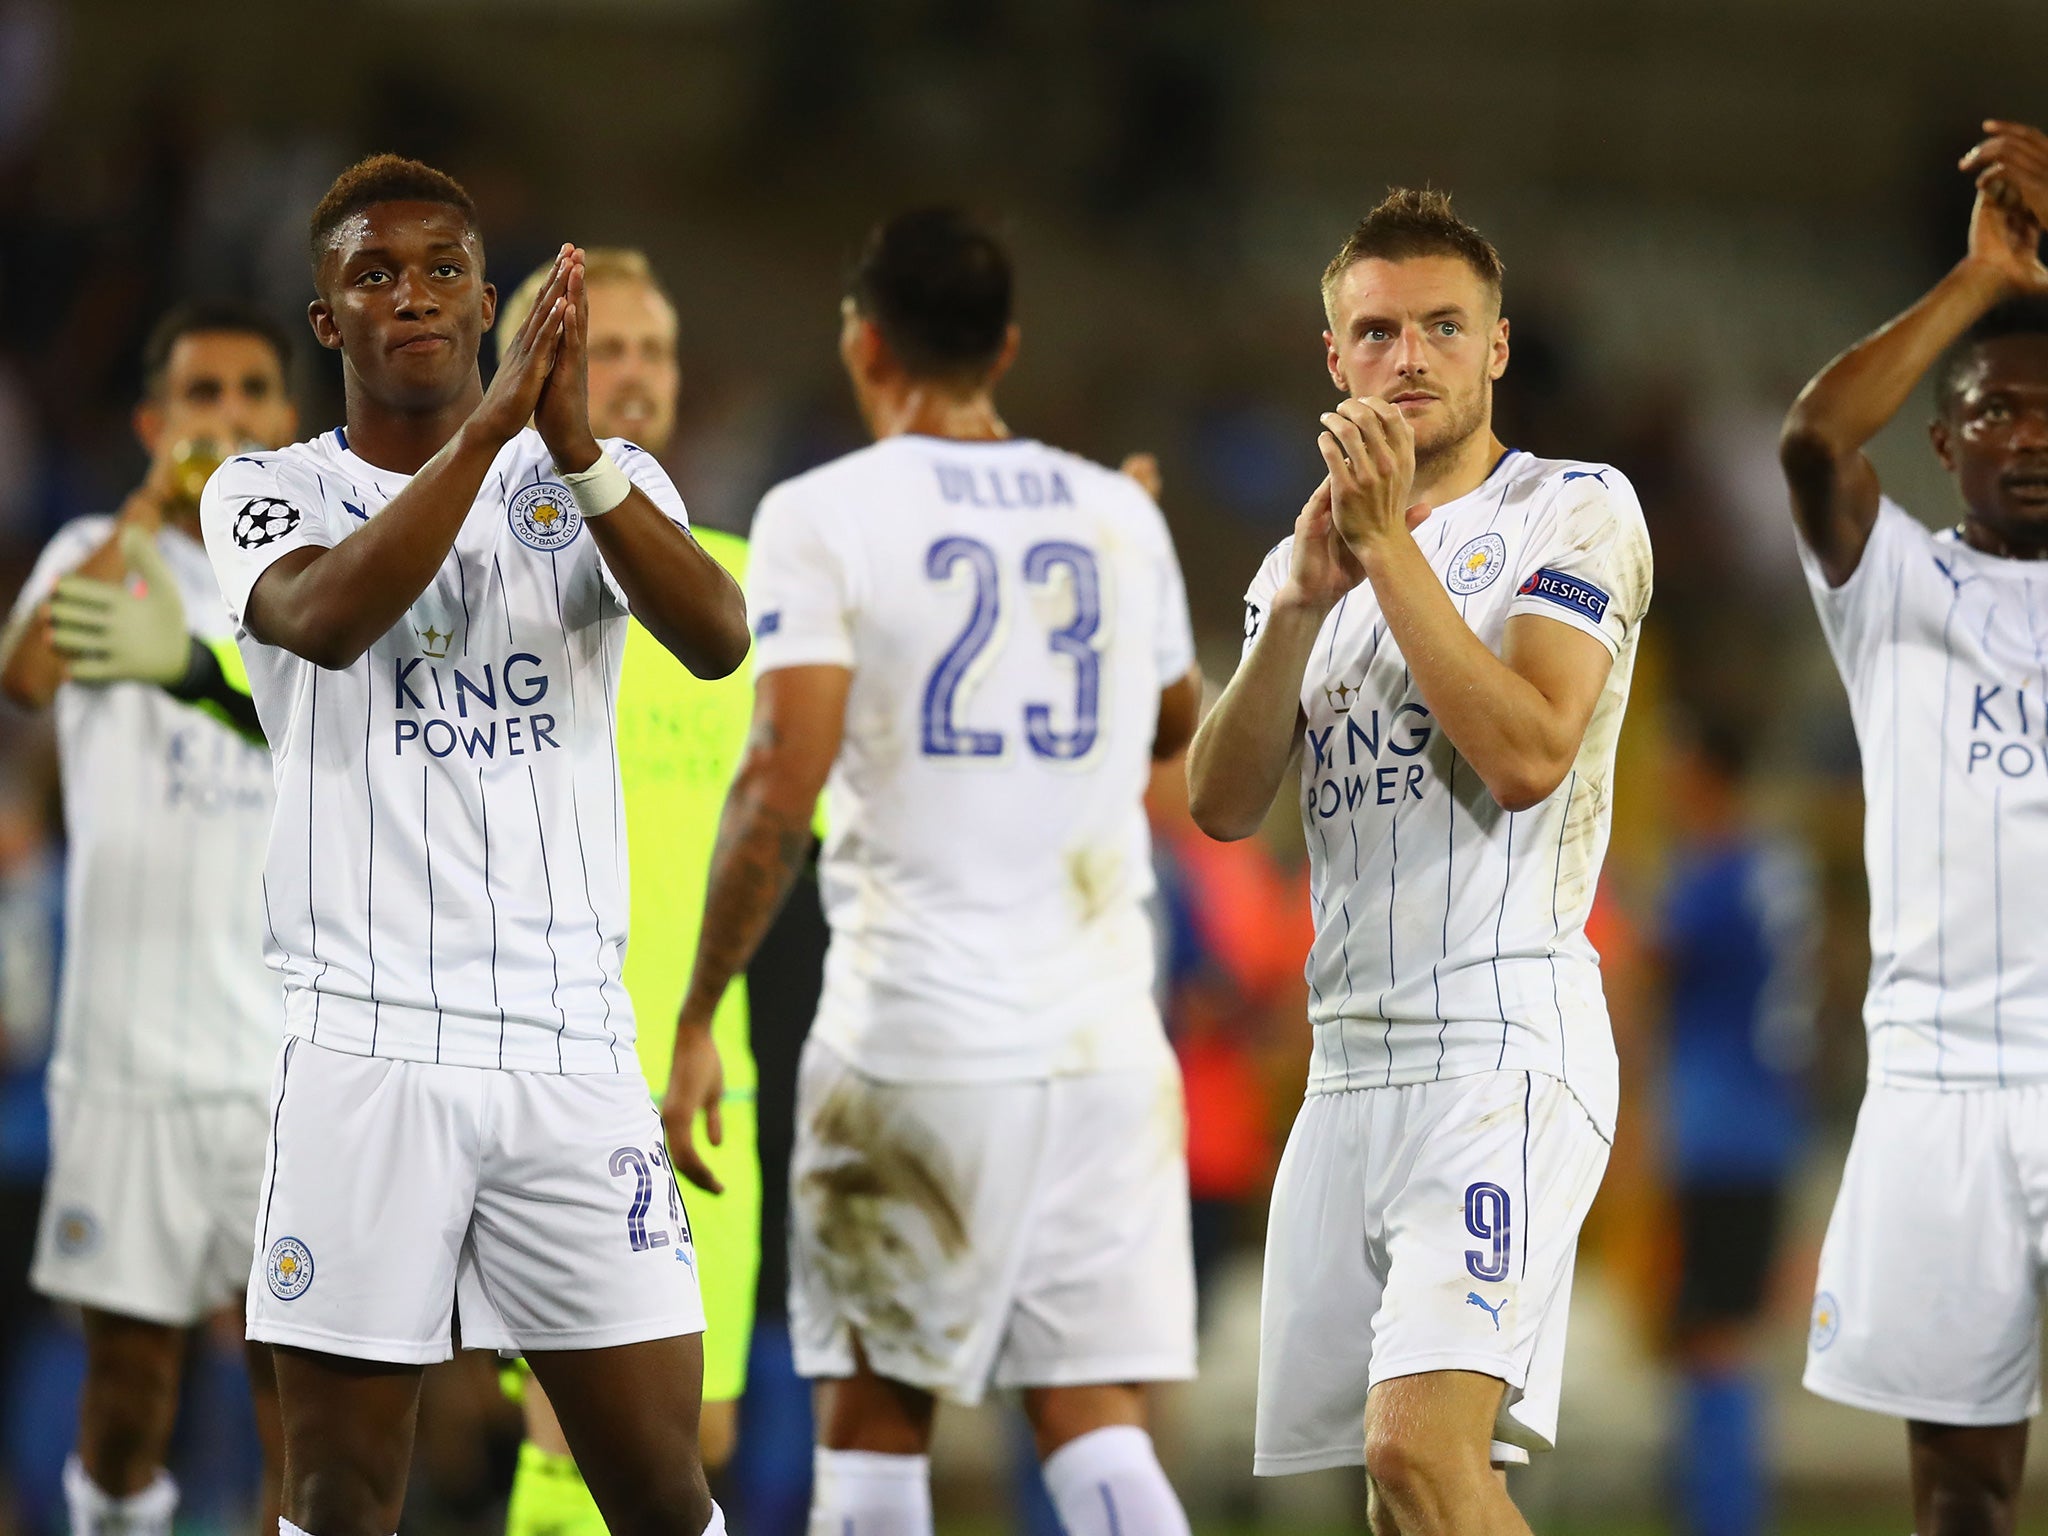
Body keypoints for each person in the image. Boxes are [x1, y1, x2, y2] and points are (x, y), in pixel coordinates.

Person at [196, 154, 750, 1536]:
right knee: (335, 1493)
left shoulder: (594, 480)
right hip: (367, 1046)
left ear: (490, 298)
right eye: (373, 274)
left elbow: (720, 638)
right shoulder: (263, 491)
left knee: (661, 1493)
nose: (414, 296)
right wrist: (486, 433)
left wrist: (562, 447)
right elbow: (323, 620)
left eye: (443, 268)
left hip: (571, 1048)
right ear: (327, 320)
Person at [662, 207, 1204, 1536]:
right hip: (1102, 1046)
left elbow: (781, 779)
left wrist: (694, 1012)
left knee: (874, 1419)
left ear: (862, 341)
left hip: (917, 1036)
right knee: (1091, 1421)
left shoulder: (823, 513)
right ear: (1006, 345)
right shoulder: (1117, 513)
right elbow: (1178, 724)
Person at [1185, 188, 1654, 1535]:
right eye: (1379, 331)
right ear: (1334, 359)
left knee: (1417, 1453)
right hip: (1347, 1066)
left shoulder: (1576, 512)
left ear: (1497, 349)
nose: (1412, 357)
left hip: (1504, 1042)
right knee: (1403, 1498)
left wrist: (1388, 552)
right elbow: (1221, 801)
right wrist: (1294, 613)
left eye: (1446, 327)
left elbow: (1527, 755)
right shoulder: (1309, 554)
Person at [488, 247, 799, 1533]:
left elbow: (786, 825)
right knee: (582, 1413)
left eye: (654, 351)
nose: (635, 374)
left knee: (694, 1428)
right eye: (605, 347)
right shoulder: (496, 574)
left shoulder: (740, 589)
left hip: (700, 1064)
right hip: (548, 1060)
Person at [1782, 120, 2048, 1536]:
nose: (2031, 435)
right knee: (1962, 1491)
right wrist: (1978, 282)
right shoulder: (1891, 586)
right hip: (1940, 1078)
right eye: (1997, 409)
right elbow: (1815, 435)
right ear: (1944, 442)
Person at [0, 301, 298, 1536]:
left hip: (284, 1060)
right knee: (130, 1391)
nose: (226, 418)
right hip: (127, 1064)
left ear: (288, 421)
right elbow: (26, 677)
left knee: (308, 1389)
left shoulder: (318, 583)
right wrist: (144, 508)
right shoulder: (95, 549)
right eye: (201, 396)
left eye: (251, 394)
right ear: (152, 421)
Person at [1656, 716, 1815, 1536]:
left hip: (1716, 1127)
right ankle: (1722, 1507)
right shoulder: (1779, 870)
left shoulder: (1710, 877)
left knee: (1712, 1329)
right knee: (1724, 1326)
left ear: (1708, 776)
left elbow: (1652, 967)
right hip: (1768, 1121)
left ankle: (1722, 1516)